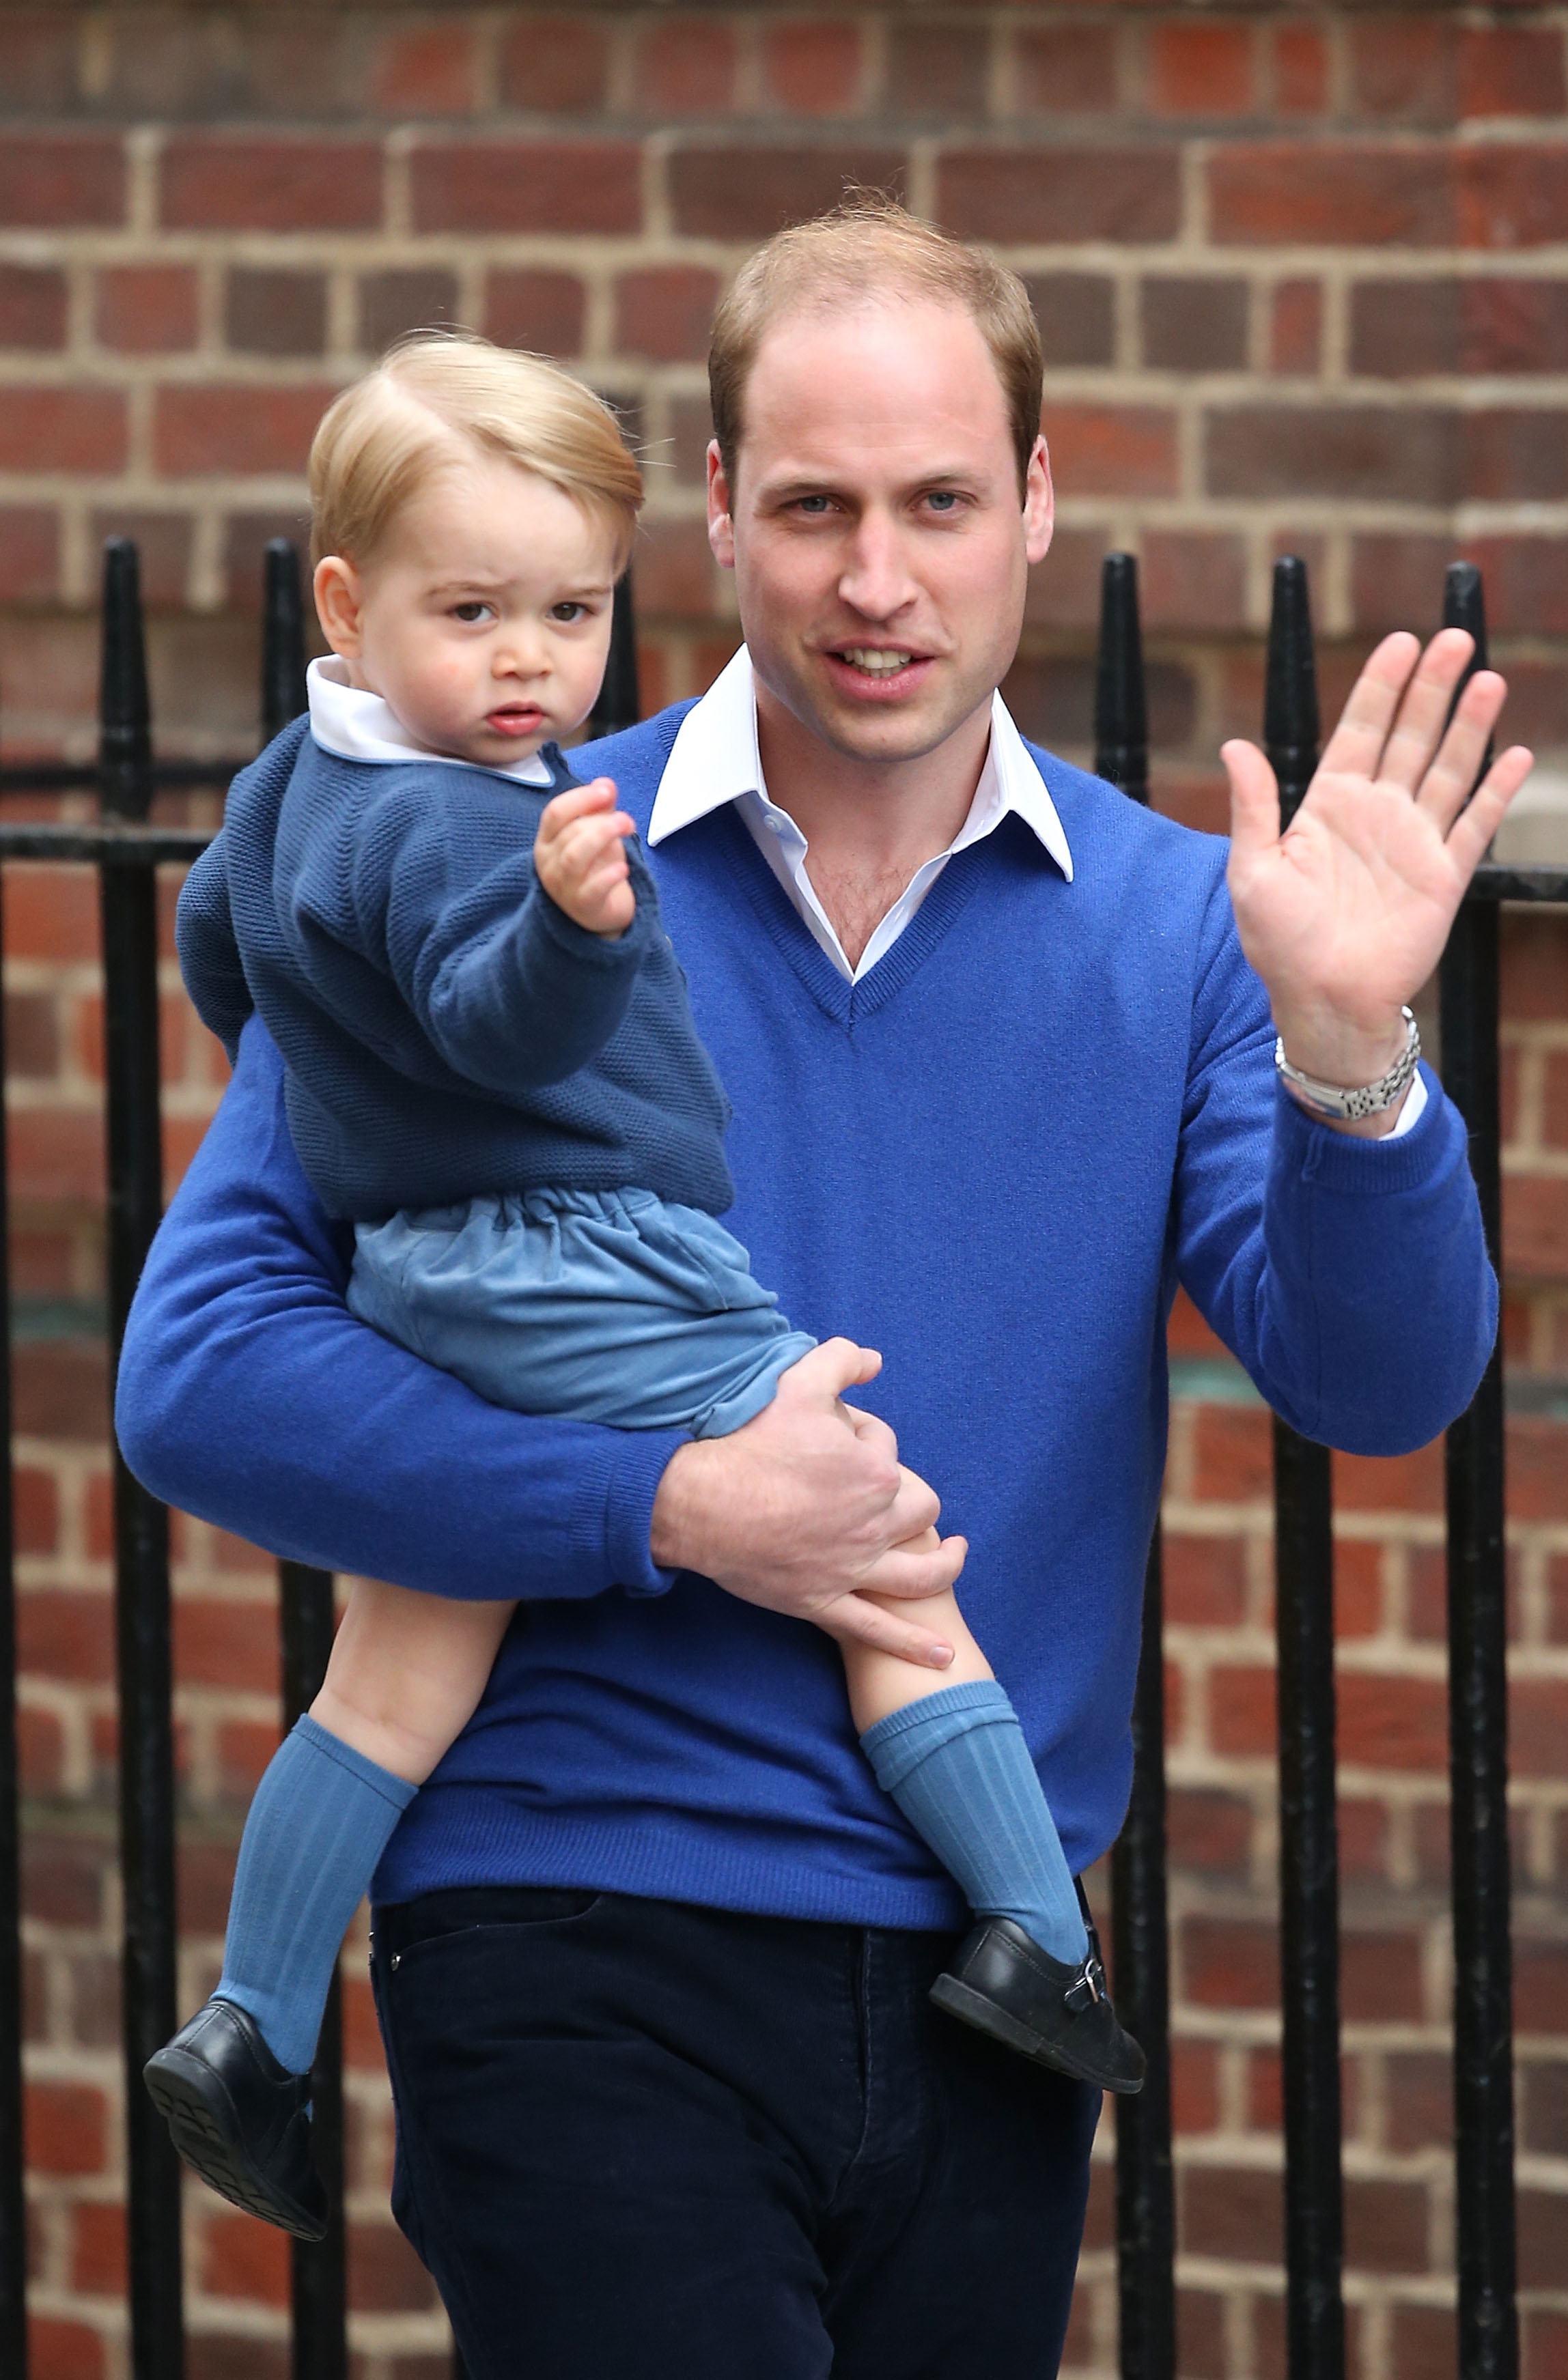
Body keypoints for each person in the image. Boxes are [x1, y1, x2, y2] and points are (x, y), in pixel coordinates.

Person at [117, 197, 1528, 2380]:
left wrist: (1348, 1047)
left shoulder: (1177, 932)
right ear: (713, 511)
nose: (878, 581)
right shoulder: (494, 847)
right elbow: (200, 1378)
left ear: (1038, 508)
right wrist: (660, 1512)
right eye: (813, 509)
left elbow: (1378, 1382)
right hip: (578, 1926)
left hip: (987, 1977)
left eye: (941, 503)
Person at [144, 326, 1144, 2243]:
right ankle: (1035, 1938)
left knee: (394, 1677)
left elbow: (220, 946)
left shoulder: (293, 779)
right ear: (350, 601)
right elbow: (488, 1015)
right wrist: (573, 928)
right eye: (476, 613)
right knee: (886, 1549)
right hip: (591, 1252)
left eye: (570, 614)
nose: (530, 664)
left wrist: (334, 1074)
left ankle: (251, 2026)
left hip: (424, 1276)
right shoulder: (485, 822)